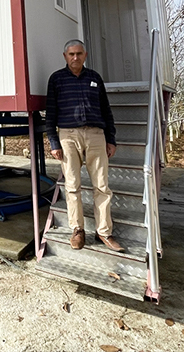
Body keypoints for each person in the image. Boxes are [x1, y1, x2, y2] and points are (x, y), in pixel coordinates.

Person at [45, 39, 124, 252]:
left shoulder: (95, 78)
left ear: (85, 55)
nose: (75, 57)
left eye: (79, 53)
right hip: (68, 136)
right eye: (71, 54)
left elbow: (106, 110)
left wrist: (111, 138)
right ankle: (78, 230)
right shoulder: (56, 79)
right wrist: (53, 141)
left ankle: (104, 232)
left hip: (96, 135)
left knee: (102, 186)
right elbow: (51, 113)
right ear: (65, 56)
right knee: (72, 185)